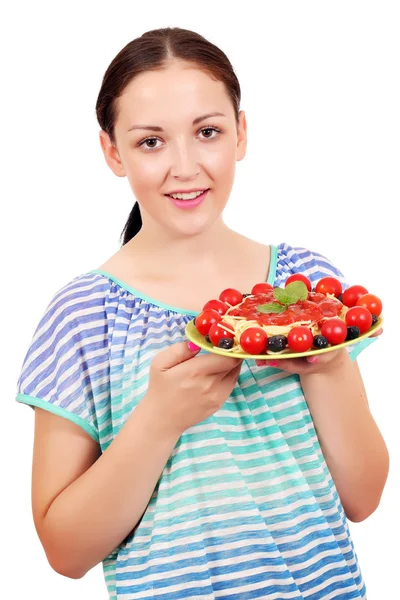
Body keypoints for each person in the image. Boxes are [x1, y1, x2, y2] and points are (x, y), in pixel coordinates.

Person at [15, 26, 389, 600]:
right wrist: (159, 418)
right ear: (112, 151)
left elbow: (364, 499)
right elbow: (65, 552)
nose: (185, 166)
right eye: (151, 142)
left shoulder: (307, 287)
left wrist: (330, 367)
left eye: (207, 132)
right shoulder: (82, 316)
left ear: (240, 133)